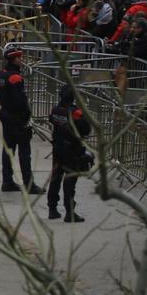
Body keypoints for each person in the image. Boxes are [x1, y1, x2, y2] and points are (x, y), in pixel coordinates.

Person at [0, 48, 44, 193]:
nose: (21, 60)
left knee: (8, 150)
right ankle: (29, 184)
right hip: (17, 118)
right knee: (24, 153)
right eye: (19, 58)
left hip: (6, 114)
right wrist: (26, 114)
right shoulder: (15, 78)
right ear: (14, 59)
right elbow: (20, 100)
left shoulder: (1, 74)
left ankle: (7, 181)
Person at [46, 85, 91, 222]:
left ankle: (52, 209)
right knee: (70, 180)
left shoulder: (55, 110)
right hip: (72, 150)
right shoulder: (75, 112)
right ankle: (69, 212)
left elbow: (51, 120)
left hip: (58, 148)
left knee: (55, 178)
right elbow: (86, 129)